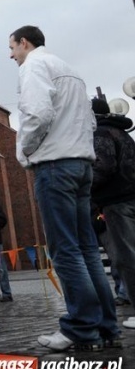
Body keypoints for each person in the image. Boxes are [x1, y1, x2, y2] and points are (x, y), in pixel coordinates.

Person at [9, 25, 120, 351]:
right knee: (86, 250)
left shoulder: (33, 66)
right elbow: (90, 122)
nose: (11, 54)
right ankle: (106, 327)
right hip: (82, 164)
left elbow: (38, 114)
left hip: (55, 165)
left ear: (25, 43)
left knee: (66, 251)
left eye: (12, 47)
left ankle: (80, 328)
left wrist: (25, 150)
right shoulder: (69, 70)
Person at [89, 97, 135, 331]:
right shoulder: (121, 133)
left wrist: (84, 188)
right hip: (129, 195)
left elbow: (103, 167)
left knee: (126, 257)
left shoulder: (101, 134)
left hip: (117, 201)